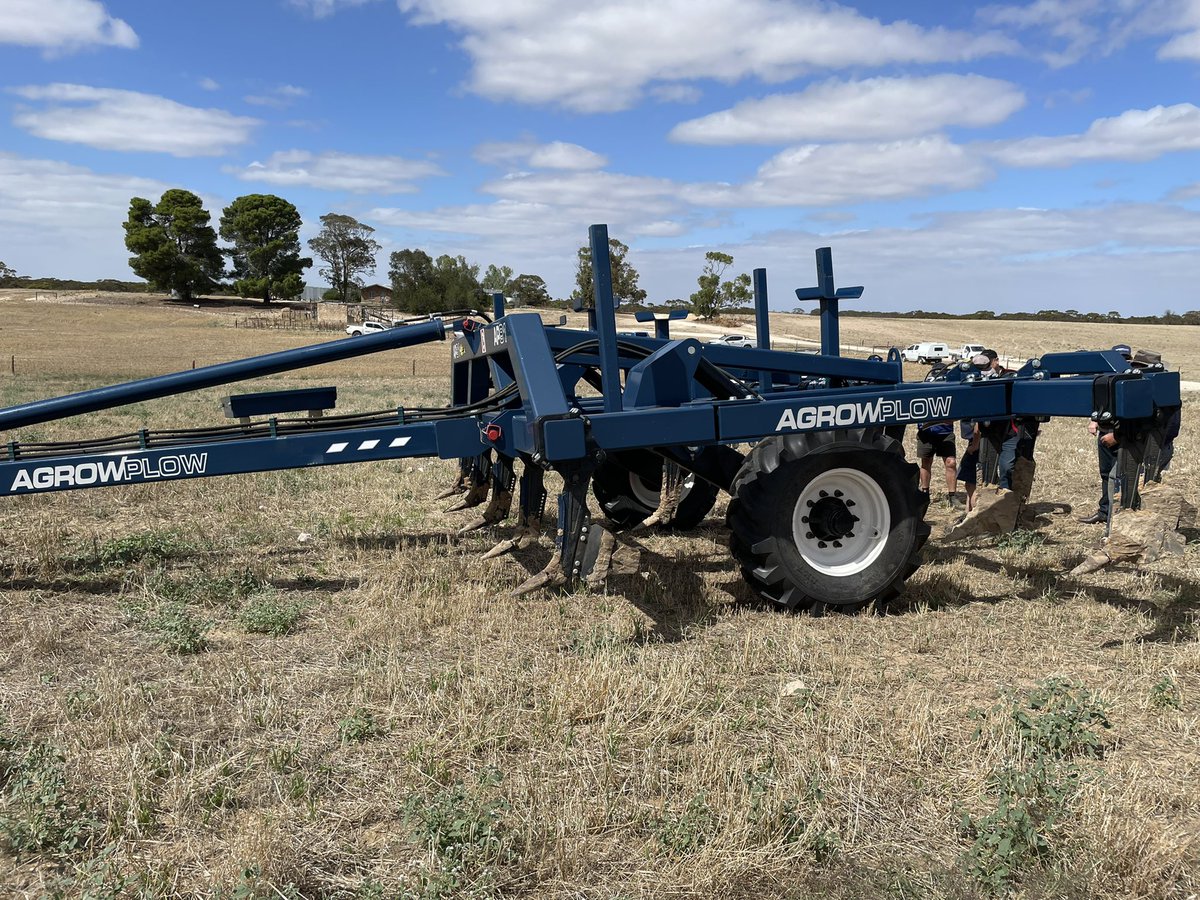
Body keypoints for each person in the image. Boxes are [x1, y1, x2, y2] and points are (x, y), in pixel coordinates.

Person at [915, 418, 961, 509]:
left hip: (946, 432)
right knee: (926, 462)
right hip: (925, 431)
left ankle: (952, 496)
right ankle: (925, 494)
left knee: (951, 463)